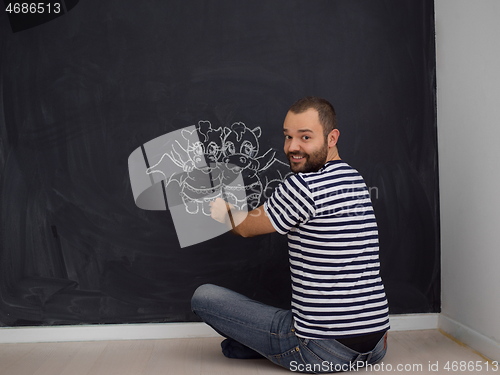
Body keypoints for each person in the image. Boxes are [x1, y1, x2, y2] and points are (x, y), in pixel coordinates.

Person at [191, 97, 390, 373]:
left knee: (204, 297)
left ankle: (274, 348)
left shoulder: (304, 184)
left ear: (332, 138)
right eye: (288, 137)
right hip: (377, 344)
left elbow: (246, 227)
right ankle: (257, 346)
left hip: (323, 350)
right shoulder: (354, 179)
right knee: (262, 331)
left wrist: (223, 210)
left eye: (305, 137)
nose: (292, 147)